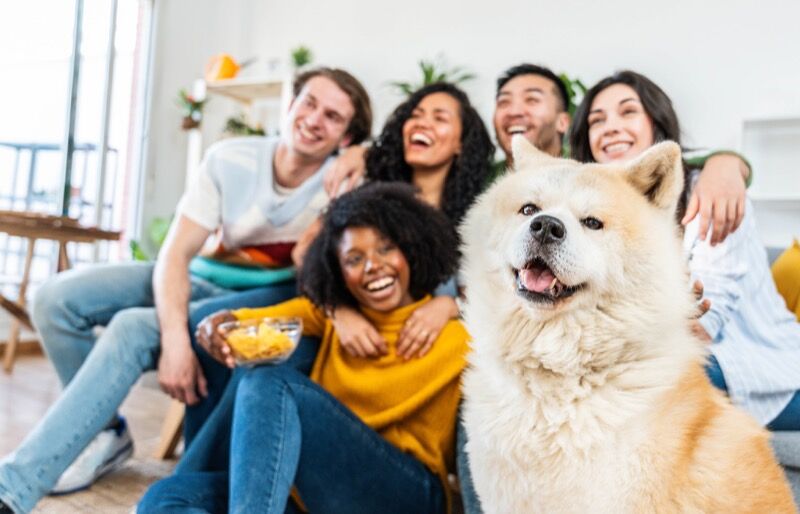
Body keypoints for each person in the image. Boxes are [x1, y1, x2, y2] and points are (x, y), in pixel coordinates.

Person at [0, 67, 372, 514]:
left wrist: (367, 156)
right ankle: (105, 433)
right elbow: (174, 255)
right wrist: (176, 340)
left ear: (347, 138)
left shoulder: (346, 182)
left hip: (263, 295)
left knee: (132, 327)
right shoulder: (229, 158)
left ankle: (12, 490)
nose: (314, 119)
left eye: (333, 117)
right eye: (309, 103)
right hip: (199, 273)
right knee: (55, 299)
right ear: (290, 103)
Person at [176, 81, 493, 477]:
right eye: (415, 113)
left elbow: (492, 295)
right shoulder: (368, 185)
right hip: (341, 336)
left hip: (418, 364)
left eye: (439, 117)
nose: (421, 122)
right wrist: (340, 312)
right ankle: (201, 475)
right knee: (256, 369)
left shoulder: (477, 217)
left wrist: (450, 304)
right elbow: (307, 256)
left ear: (462, 142)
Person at [139, 182, 468, 514]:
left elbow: (511, 321)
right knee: (166, 498)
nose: (372, 265)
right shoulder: (328, 317)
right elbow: (241, 321)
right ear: (338, 272)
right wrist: (214, 326)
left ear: (410, 249)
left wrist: (454, 305)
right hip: (318, 489)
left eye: (386, 249)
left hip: (406, 492)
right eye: (354, 258)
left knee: (267, 382)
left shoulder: (457, 336)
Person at [568, 69, 800, 431]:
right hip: (665, 355)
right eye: (597, 121)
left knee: (643, 377)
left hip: (764, 371)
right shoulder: (590, 212)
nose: (610, 127)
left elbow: (706, 321)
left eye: (628, 112)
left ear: (656, 124)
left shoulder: (709, 193)